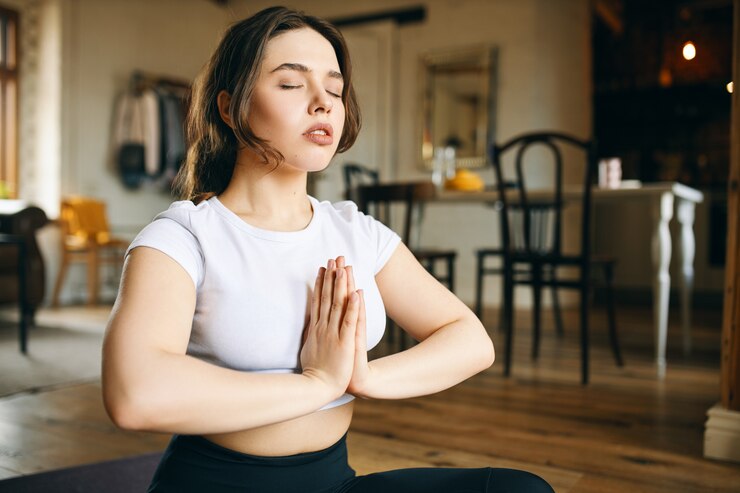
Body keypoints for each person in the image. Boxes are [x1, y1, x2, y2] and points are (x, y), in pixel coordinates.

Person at [102, 6, 554, 493]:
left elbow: (470, 340)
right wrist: (315, 384)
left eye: (335, 90)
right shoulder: (183, 236)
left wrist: (360, 377)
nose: (323, 103)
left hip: (333, 483)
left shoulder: (355, 231)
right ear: (230, 108)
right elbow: (134, 394)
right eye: (292, 84)